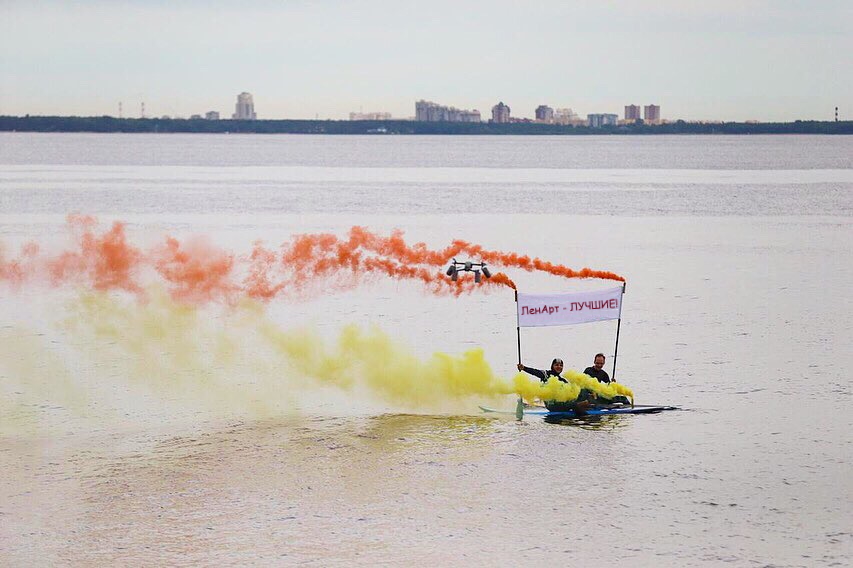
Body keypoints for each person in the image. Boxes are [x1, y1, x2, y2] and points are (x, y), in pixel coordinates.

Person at [516, 358, 595, 412]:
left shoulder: (562, 380)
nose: (559, 367)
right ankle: (580, 407)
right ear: (552, 366)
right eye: (556, 365)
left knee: (582, 392)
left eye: (561, 365)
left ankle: (589, 404)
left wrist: (588, 392)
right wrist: (524, 368)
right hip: (552, 405)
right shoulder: (546, 374)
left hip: (562, 403)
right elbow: (535, 372)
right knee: (576, 405)